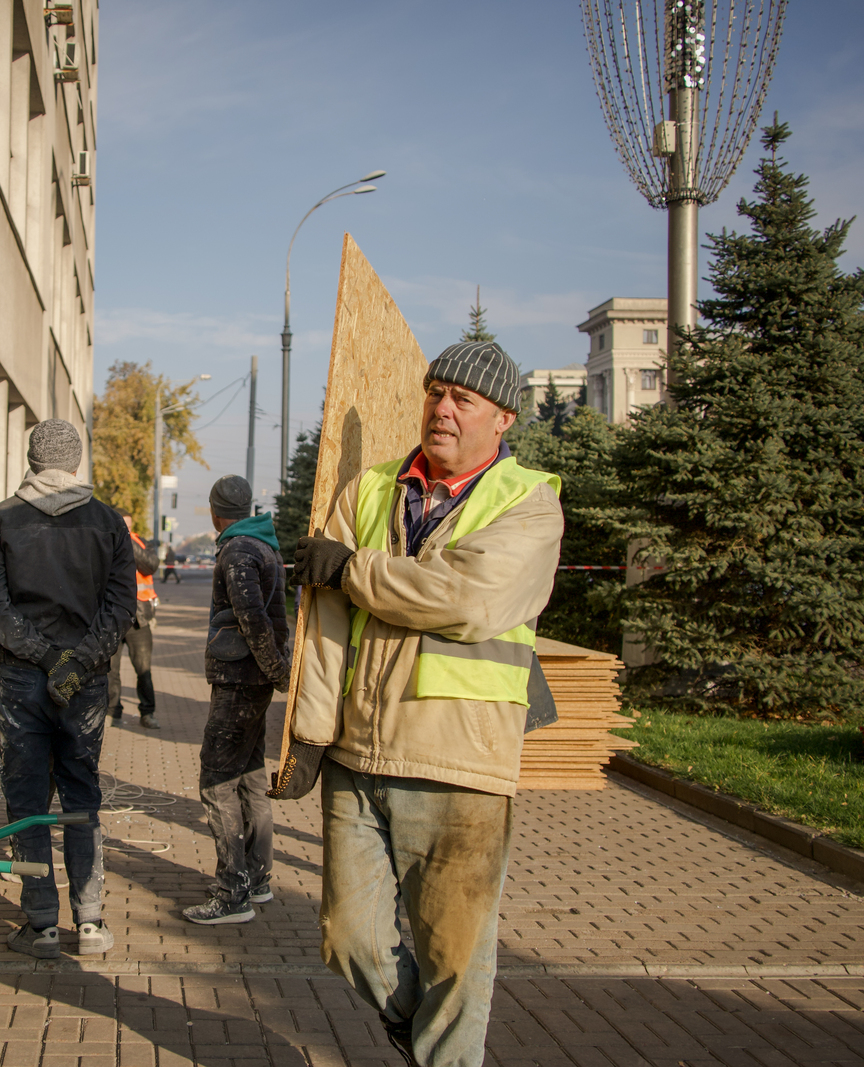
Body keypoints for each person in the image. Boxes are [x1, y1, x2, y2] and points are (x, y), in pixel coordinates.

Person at [280, 341, 563, 1067]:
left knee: (454, 958)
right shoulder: (371, 490)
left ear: (502, 418)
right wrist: (310, 733)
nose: (442, 408)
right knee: (349, 938)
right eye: (436, 391)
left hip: (458, 762)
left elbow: (467, 598)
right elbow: (328, 618)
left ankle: (444, 1054)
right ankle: (424, 1036)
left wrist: (355, 569)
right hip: (356, 751)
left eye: (463, 399)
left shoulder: (529, 501)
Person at [0, 418, 136, 958]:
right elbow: (120, 608)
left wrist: (43, 657)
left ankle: (40, 922)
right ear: (77, 461)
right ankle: (90, 922)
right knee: (81, 792)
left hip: (22, 677)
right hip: (83, 683)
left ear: (32, 458)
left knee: (27, 798)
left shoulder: (2, 518)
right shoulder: (109, 522)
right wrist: (77, 661)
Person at [183, 476, 291, 925]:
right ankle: (257, 879)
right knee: (249, 775)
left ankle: (232, 894)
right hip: (254, 681)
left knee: (217, 780)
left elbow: (253, 619)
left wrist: (277, 672)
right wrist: (277, 672)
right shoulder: (262, 545)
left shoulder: (238, 551)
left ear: (214, 512)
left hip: (240, 682)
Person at [107, 513, 160, 729]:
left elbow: (150, 565)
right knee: (110, 670)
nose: (124, 529)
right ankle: (113, 712)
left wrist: (126, 540)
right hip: (112, 617)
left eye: (127, 526)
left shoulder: (141, 543)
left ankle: (147, 712)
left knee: (143, 669)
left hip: (140, 618)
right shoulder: (105, 542)